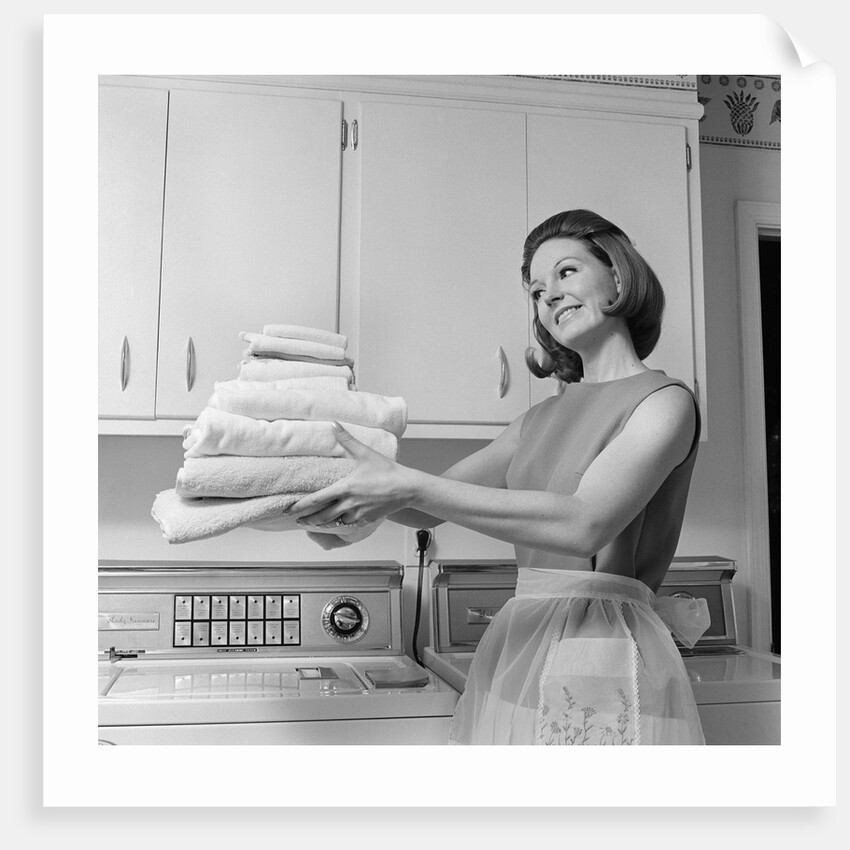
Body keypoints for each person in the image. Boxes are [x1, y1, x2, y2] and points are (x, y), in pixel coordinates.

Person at [287, 209, 708, 745]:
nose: (549, 296)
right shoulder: (536, 420)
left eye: (567, 272)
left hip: (607, 648)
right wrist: (330, 501)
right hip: (522, 646)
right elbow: (423, 506)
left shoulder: (666, 402)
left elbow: (585, 523)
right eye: (536, 291)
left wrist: (402, 485)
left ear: (619, 278)